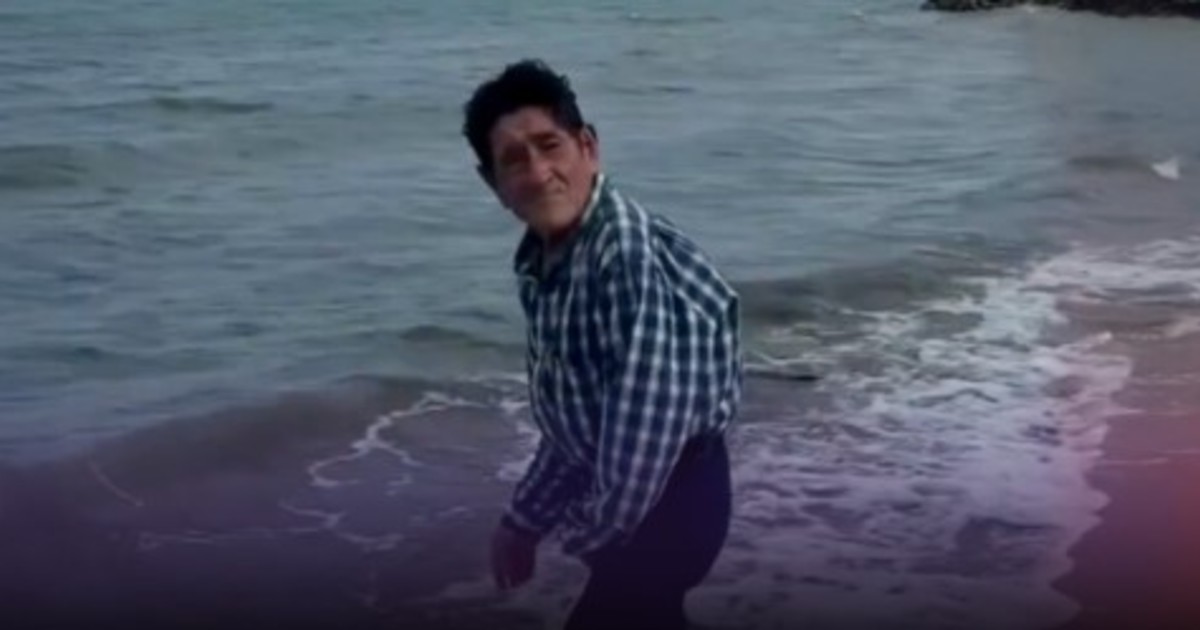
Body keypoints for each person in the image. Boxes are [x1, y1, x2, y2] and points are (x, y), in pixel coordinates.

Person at [462, 59, 743, 630]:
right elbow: (576, 424)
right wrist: (523, 521)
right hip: (643, 497)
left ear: (588, 148)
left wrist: (594, 532)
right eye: (514, 160)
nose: (539, 172)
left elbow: (649, 419)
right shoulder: (548, 263)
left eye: (550, 146)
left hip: (673, 496)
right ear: (494, 185)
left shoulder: (621, 254)